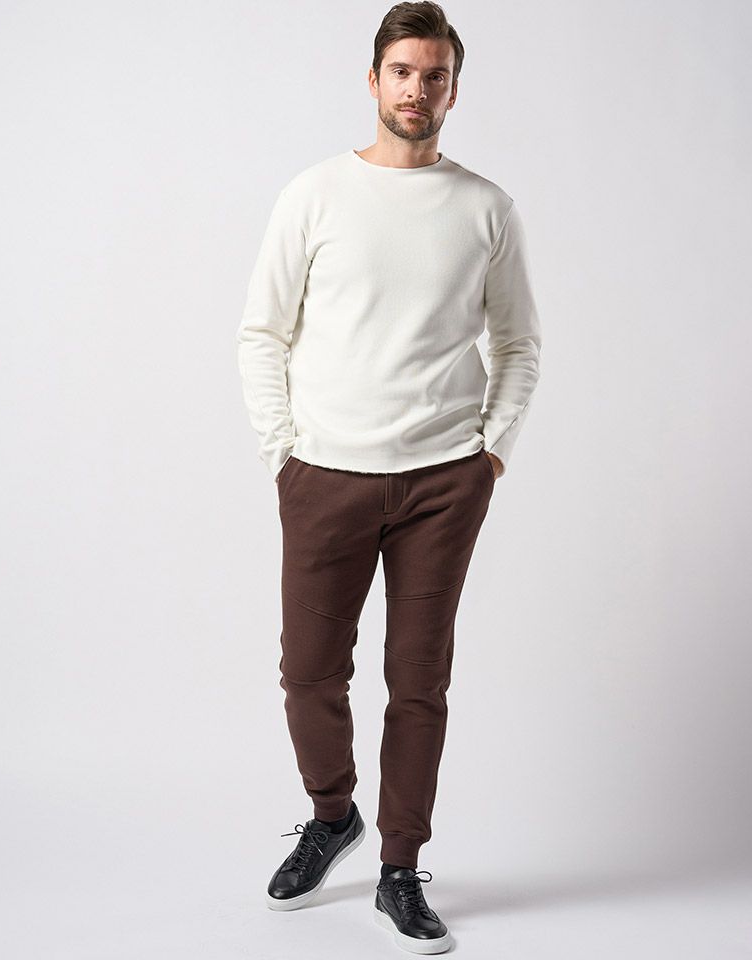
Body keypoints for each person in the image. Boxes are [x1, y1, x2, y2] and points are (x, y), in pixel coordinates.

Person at [235, 2, 541, 953]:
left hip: (444, 482)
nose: (418, 89)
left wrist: (491, 454)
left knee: (419, 682)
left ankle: (400, 868)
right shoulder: (315, 194)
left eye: (434, 75)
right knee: (308, 674)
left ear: (454, 89)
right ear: (373, 80)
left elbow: (518, 343)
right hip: (325, 475)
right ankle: (334, 816)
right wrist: (283, 453)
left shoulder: (485, 207)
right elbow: (262, 331)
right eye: (402, 71)